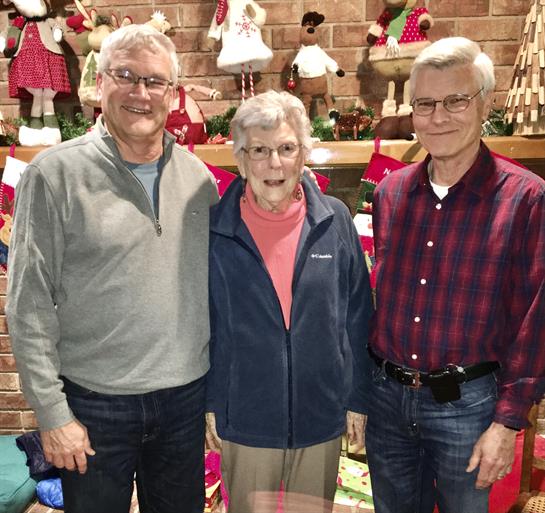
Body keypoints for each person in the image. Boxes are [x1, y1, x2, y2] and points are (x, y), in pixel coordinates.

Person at [6, 24, 218, 513]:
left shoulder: (200, 180)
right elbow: (29, 305)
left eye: (155, 81)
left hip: (184, 399)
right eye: (125, 76)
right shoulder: (52, 175)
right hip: (95, 405)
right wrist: (53, 414)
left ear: (172, 93)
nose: (141, 93)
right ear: (99, 84)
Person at [366, 36, 545, 513]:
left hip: (470, 408)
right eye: (425, 103)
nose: (438, 117)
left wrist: (507, 422)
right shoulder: (390, 193)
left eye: (456, 100)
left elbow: (535, 320)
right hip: (388, 401)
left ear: (484, 103)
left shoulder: (526, 199)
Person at [205, 90, 373, 513]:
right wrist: (208, 403)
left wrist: (358, 398)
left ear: (303, 156)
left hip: (320, 415)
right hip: (244, 417)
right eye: (259, 150)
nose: (273, 163)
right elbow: (199, 323)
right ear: (241, 160)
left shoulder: (335, 221)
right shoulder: (213, 232)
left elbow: (358, 314)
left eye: (285, 148)